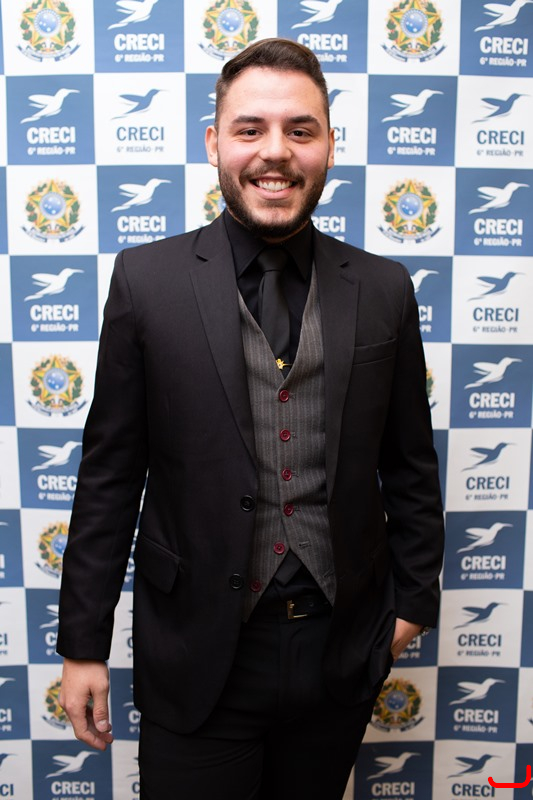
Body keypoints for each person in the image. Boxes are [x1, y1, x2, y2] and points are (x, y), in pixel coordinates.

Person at [58, 37, 444, 800]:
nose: (275, 152)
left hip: (339, 651)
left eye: (300, 130)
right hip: (195, 651)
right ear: (214, 143)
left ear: (328, 143)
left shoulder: (383, 287)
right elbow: (109, 476)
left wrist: (410, 606)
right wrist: (82, 646)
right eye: (249, 129)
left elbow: (409, 465)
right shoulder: (146, 280)